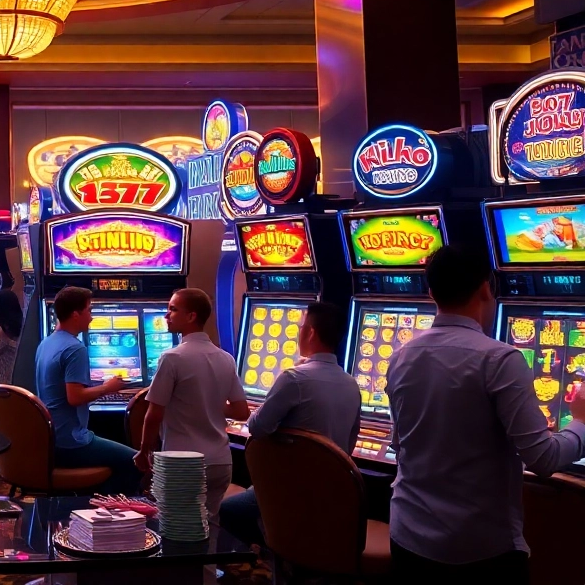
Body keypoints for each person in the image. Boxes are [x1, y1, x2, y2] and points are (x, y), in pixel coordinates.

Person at [387, 245, 585, 584]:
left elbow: (400, 444)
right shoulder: (499, 359)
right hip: (476, 549)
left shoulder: (401, 355)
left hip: (406, 536)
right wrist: (580, 421)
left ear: (431, 292)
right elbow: (543, 458)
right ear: (486, 288)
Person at [219, 301, 362, 547]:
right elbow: (348, 445)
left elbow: (257, 427)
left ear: (310, 332)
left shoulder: (294, 378)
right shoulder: (352, 384)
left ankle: (275, 554)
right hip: (333, 492)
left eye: (300, 326)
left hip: (289, 490)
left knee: (228, 511)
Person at [137, 288, 249, 520]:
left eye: (173, 309)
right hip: (220, 462)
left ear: (191, 316)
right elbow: (241, 411)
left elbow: (154, 414)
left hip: (182, 463)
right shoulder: (225, 358)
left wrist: (144, 450)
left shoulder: (172, 358)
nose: (166, 315)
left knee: (177, 528)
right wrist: (211, 400)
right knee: (207, 526)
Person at [35, 286, 142, 494]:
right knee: (136, 461)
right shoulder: (75, 348)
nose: (92, 317)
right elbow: (74, 397)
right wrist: (107, 387)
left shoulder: (46, 343)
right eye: (89, 311)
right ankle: (101, 510)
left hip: (49, 439)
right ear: (76, 315)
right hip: (71, 442)